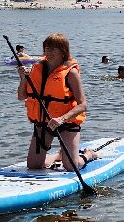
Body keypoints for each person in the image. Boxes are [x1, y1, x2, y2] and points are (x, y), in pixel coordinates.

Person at [17, 32, 94, 171]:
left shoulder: (71, 73)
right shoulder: (36, 69)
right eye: (46, 48)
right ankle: (58, 156)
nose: (48, 51)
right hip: (43, 122)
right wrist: (23, 78)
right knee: (33, 166)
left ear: (63, 51)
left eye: (53, 48)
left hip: (67, 122)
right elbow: (22, 96)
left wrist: (62, 119)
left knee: (71, 166)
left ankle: (88, 154)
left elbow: (83, 105)